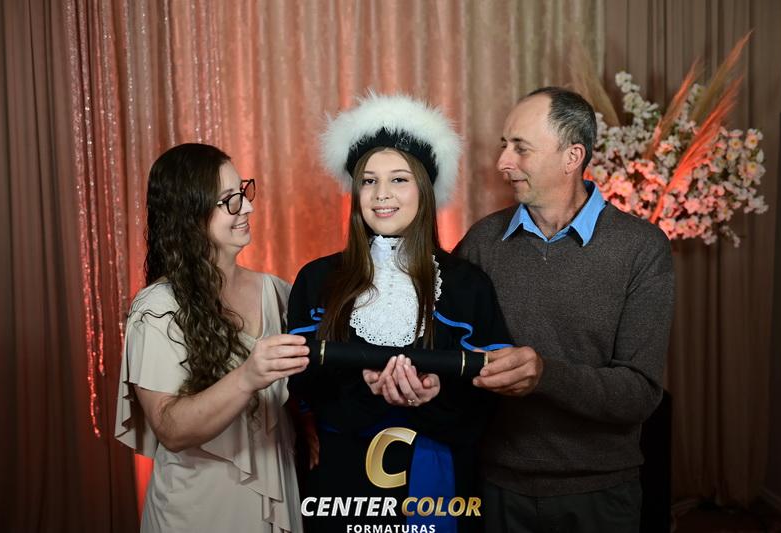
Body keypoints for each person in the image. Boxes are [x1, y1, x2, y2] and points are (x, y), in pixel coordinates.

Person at [454, 87, 675, 533]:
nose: (502, 162)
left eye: (521, 148)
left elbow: (639, 393)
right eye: (504, 146)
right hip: (496, 487)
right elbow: (447, 347)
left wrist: (545, 375)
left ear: (572, 156)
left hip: (600, 495)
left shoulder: (642, 249)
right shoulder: (481, 241)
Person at [288, 93, 512, 533]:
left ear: (425, 190)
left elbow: (493, 397)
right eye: (369, 181)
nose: (382, 194)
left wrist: (435, 394)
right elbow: (298, 385)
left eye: (399, 179)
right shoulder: (317, 279)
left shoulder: (467, 284)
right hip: (341, 484)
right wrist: (361, 385)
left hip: (440, 482)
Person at [114, 143, 309, 532]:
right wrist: (247, 377)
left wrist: (307, 423)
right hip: (198, 510)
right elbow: (170, 428)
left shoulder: (277, 292)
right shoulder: (158, 308)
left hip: (276, 497)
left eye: (244, 191)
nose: (247, 207)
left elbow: (295, 394)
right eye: (229, 200)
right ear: (189, 214)